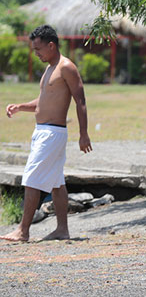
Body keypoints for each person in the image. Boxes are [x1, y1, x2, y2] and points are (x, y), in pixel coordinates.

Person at [1, 25, 92, 242]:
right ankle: (62, 229)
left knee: (31, 178)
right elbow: (43, 102)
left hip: (53, 133)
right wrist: (21, 106)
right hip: (44, 132)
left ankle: (23, 230)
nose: (36, 53)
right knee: (56, 183)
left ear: (51, 45)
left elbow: (81, 100)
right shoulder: (50, 68)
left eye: (38, 49)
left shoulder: (66, 67)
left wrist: (84, 133)